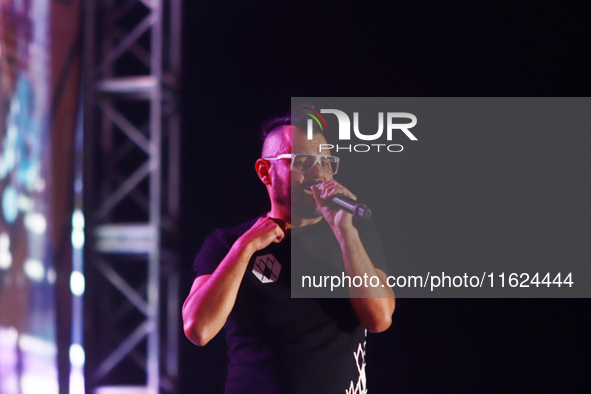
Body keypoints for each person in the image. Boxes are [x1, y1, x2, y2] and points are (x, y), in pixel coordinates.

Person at [183, 107, 395, 393]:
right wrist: (244, 249)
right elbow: (198, 328)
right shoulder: (229, 242)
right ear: (265, 171)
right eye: (302, 162)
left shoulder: (355, 235)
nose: (318, 173)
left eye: (326, 162)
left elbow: (380, 318)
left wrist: (345, 231)